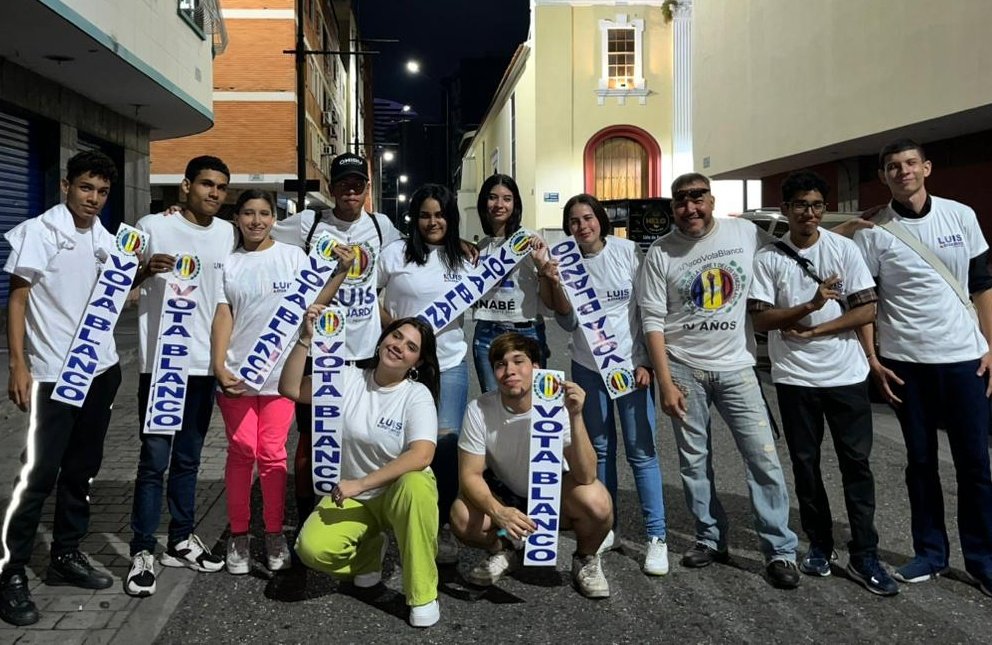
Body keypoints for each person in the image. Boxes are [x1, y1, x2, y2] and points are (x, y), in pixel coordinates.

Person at [637, 172, 802, 589]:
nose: (690, 209)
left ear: (711, 199)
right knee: (694, 462)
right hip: (683, 367)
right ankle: (710, 538)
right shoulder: (660, 253)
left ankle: (780, 549)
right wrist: (666, 381)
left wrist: (849, 229)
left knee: (762, 458)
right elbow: (652, 321)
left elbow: (787, 256)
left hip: (737, 366)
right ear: (672, 207)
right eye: (681, 202)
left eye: (697, 199)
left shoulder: (744, 233)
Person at [748, 170, 898, 596]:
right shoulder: (769, 259)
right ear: (786, 210)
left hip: (845, 376)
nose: (809, 214)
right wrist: (809, 305)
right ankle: (819, 544)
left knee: (857, 464)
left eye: (816, 206)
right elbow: (761, 318)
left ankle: (865, 551)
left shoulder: (843, 250)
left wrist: (815, 329)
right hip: (795, 378)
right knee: (806, 464)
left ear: (822, 210)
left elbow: (865, 310)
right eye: (800, 206)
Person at [853, 139, 992, 595]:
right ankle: (930, 552)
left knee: (975, 464)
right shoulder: (873, 232)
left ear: (927, 168)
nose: (903, 171)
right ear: (884, 176)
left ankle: (983, 558)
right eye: (893, 166)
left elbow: (981, 285)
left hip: (964, 360)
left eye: (911, 163)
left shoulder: (961, 215)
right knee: (920, 461)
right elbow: (867, 303)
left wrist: (991, 346)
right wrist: (873, 360)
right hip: (906, 362)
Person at [0, 151, 123, 626]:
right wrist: (18, 364)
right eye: (86, 188)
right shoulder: (40, 230)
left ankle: (65, 556)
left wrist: (146, 270)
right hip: (53, 374)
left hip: (101, 370)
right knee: (38, 475)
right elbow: (18, 295)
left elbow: (115, 295)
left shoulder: (104, 238)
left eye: (102, 192)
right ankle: (10, 572)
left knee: (82, 471)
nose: (93, 198)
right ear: (67, 186)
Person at [210, 190, 353, 574]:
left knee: (272, 452)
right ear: (237, 218)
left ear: (275, 218)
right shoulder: (230, 262)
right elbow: (223, 315)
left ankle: (273, 533)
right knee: (242, 451)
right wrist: (218, 366)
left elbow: (314, 302)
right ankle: (239, 535)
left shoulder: (292, 258)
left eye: (264, 214)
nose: (256, 221)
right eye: (248, 213)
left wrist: (340, 272)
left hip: (278, 377)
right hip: (238, 374)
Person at [280, 309, 442, 628]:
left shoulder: (416, 395)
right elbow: (291, 389)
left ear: (418, 363)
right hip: (355, 498)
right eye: (396, 336)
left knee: (416, 483)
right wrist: (304, 339)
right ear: (383, 338)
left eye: (411, 346)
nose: (399, 346)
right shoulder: (348, 377)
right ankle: (369, 550)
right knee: (311, 549)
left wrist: (361, 483)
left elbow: (422, 455)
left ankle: (423, 594)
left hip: (396, 493)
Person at [271, 152, 403, 530]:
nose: (350, 190)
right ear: (330, 188)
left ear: (366, 189)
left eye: (358, 184)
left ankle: (360, 511)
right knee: (312, 437)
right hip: (321, 353)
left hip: (365, 355)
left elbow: (415, 253)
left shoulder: (381, 227)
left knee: (361, 434)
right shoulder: (307, 223)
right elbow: (258, 233)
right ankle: (304, 516)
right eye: (343, 183)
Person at [538, 193, 668, 575]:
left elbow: (648, 307)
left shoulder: (628, 252)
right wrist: (554, 281)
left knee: (641, 452)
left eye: (588, 218)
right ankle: (607, 526)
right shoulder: (567, 261)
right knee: (600, 450)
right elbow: (566, 322)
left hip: (628, 367)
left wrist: (646, 361)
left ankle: (656, 536)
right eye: (574, 221)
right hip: (587, 366)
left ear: (600, 220)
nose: (583, 226)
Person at [124, 156, 236, 597]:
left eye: (221, 187)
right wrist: (142, 270)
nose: (214, 193)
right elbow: (114, 282)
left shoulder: (228, 234)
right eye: (206, 184)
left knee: (189, 459)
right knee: (154, 461)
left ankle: (181, 539)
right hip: (163, 366)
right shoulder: (152, 226)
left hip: (204, 365)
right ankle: (142, 549)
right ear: (185, 186)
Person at [450, 333, 614, 598]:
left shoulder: (557, 404)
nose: (509, 371)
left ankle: (585, 558)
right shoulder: (479, 409)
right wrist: (500, 512)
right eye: (501, 365)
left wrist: (575, 415)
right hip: (506, 493)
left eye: (518, 361)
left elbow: (586, 475)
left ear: (536, 368)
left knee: (597, 500)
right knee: (462, 516)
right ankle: (503, 547)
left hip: (552, 495)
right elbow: (469, 475)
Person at [377, 184, 473, 564]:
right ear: (414, 219)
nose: (433, 222)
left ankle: (441, 525)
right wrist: (392, 327)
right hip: (401, 368)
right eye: (425, 215)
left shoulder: (465, 259)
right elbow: (365, 292)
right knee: (397, 444)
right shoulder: (395, 254)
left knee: (444, 447)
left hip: (448, 366)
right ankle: (391, 521)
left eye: (440, 214)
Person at [472, 174, 550, 391]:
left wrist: (542, 266)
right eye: (492, 197)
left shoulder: (530, 240)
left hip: (526, 332)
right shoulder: (480, 247)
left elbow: (549, 297)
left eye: (507, 198)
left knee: (531, 404)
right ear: (483, 203)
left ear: (515, 204)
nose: (499, 204)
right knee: (493, 405)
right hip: (486, 331)